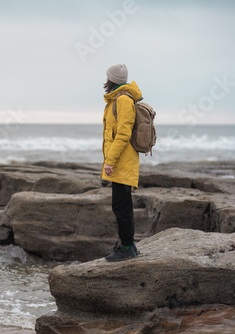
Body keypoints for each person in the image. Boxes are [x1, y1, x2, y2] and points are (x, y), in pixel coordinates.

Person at [101, 64, 142, 262]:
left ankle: (126, 248)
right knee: (123, 205)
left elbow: (123, 134)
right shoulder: (118, 99)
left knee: (121, 207)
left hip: (122, 162)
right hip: (121, 162)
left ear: (111, 79)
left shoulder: (123, 100)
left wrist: (110, 161)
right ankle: (131, 246)